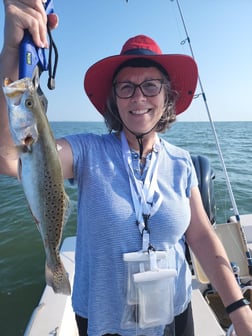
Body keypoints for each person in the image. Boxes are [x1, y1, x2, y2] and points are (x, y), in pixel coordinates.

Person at [1, 1, 252, 336]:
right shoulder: (87, 152)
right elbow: (11, 157)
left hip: (173, 318)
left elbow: (203, 238)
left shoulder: (181, 163)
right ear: (114, 99)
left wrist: (239, 310)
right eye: (126, 87)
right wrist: (13, 49)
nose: (138, 97)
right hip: (104, 323)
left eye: (150, 85)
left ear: (167, 96)